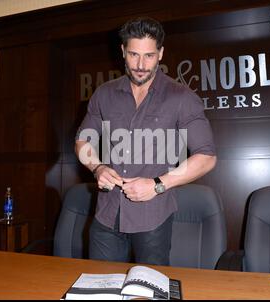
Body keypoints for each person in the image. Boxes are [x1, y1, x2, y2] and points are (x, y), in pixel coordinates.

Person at [75, 17, 216, 265]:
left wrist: (157, 185)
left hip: (154, 220)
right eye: (134, 55)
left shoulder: (182, 98)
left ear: (161, 53)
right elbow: (82, 141)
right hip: (106, 216)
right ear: (123, 51)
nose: (141, 65)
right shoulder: (103, 94)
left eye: (149, 56)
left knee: (149, 295)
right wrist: (97, 167)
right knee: (100, 291)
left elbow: (206, 157)